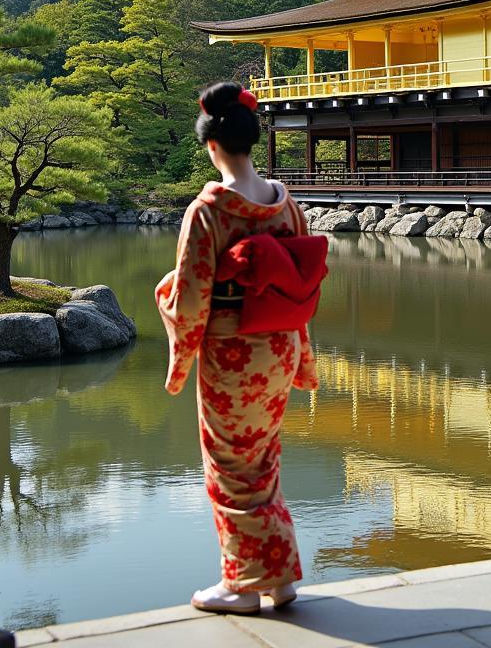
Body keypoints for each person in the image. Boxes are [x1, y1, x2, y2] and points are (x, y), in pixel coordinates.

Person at [154, 81, 318, 615]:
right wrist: (303, 359)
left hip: (233, 355)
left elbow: (191, 297)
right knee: (262, 459)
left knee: (229, 467)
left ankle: (243, 585)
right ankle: (279, 577)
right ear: (250, 141)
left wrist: (169, 317)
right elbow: (300, 286)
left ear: (210, 146)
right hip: (279, 347)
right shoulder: (284, 203)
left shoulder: (209, 211)